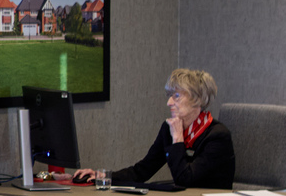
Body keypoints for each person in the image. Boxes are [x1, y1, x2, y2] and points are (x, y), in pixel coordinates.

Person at [73, 68, 234, 189]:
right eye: (169, 96)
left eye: (176, 96)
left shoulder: (217, 136)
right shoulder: (169, 128)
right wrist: (103, 176)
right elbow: (142, 171)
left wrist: (178, 140)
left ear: (197, 100)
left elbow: (185, 179)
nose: (169, 103)